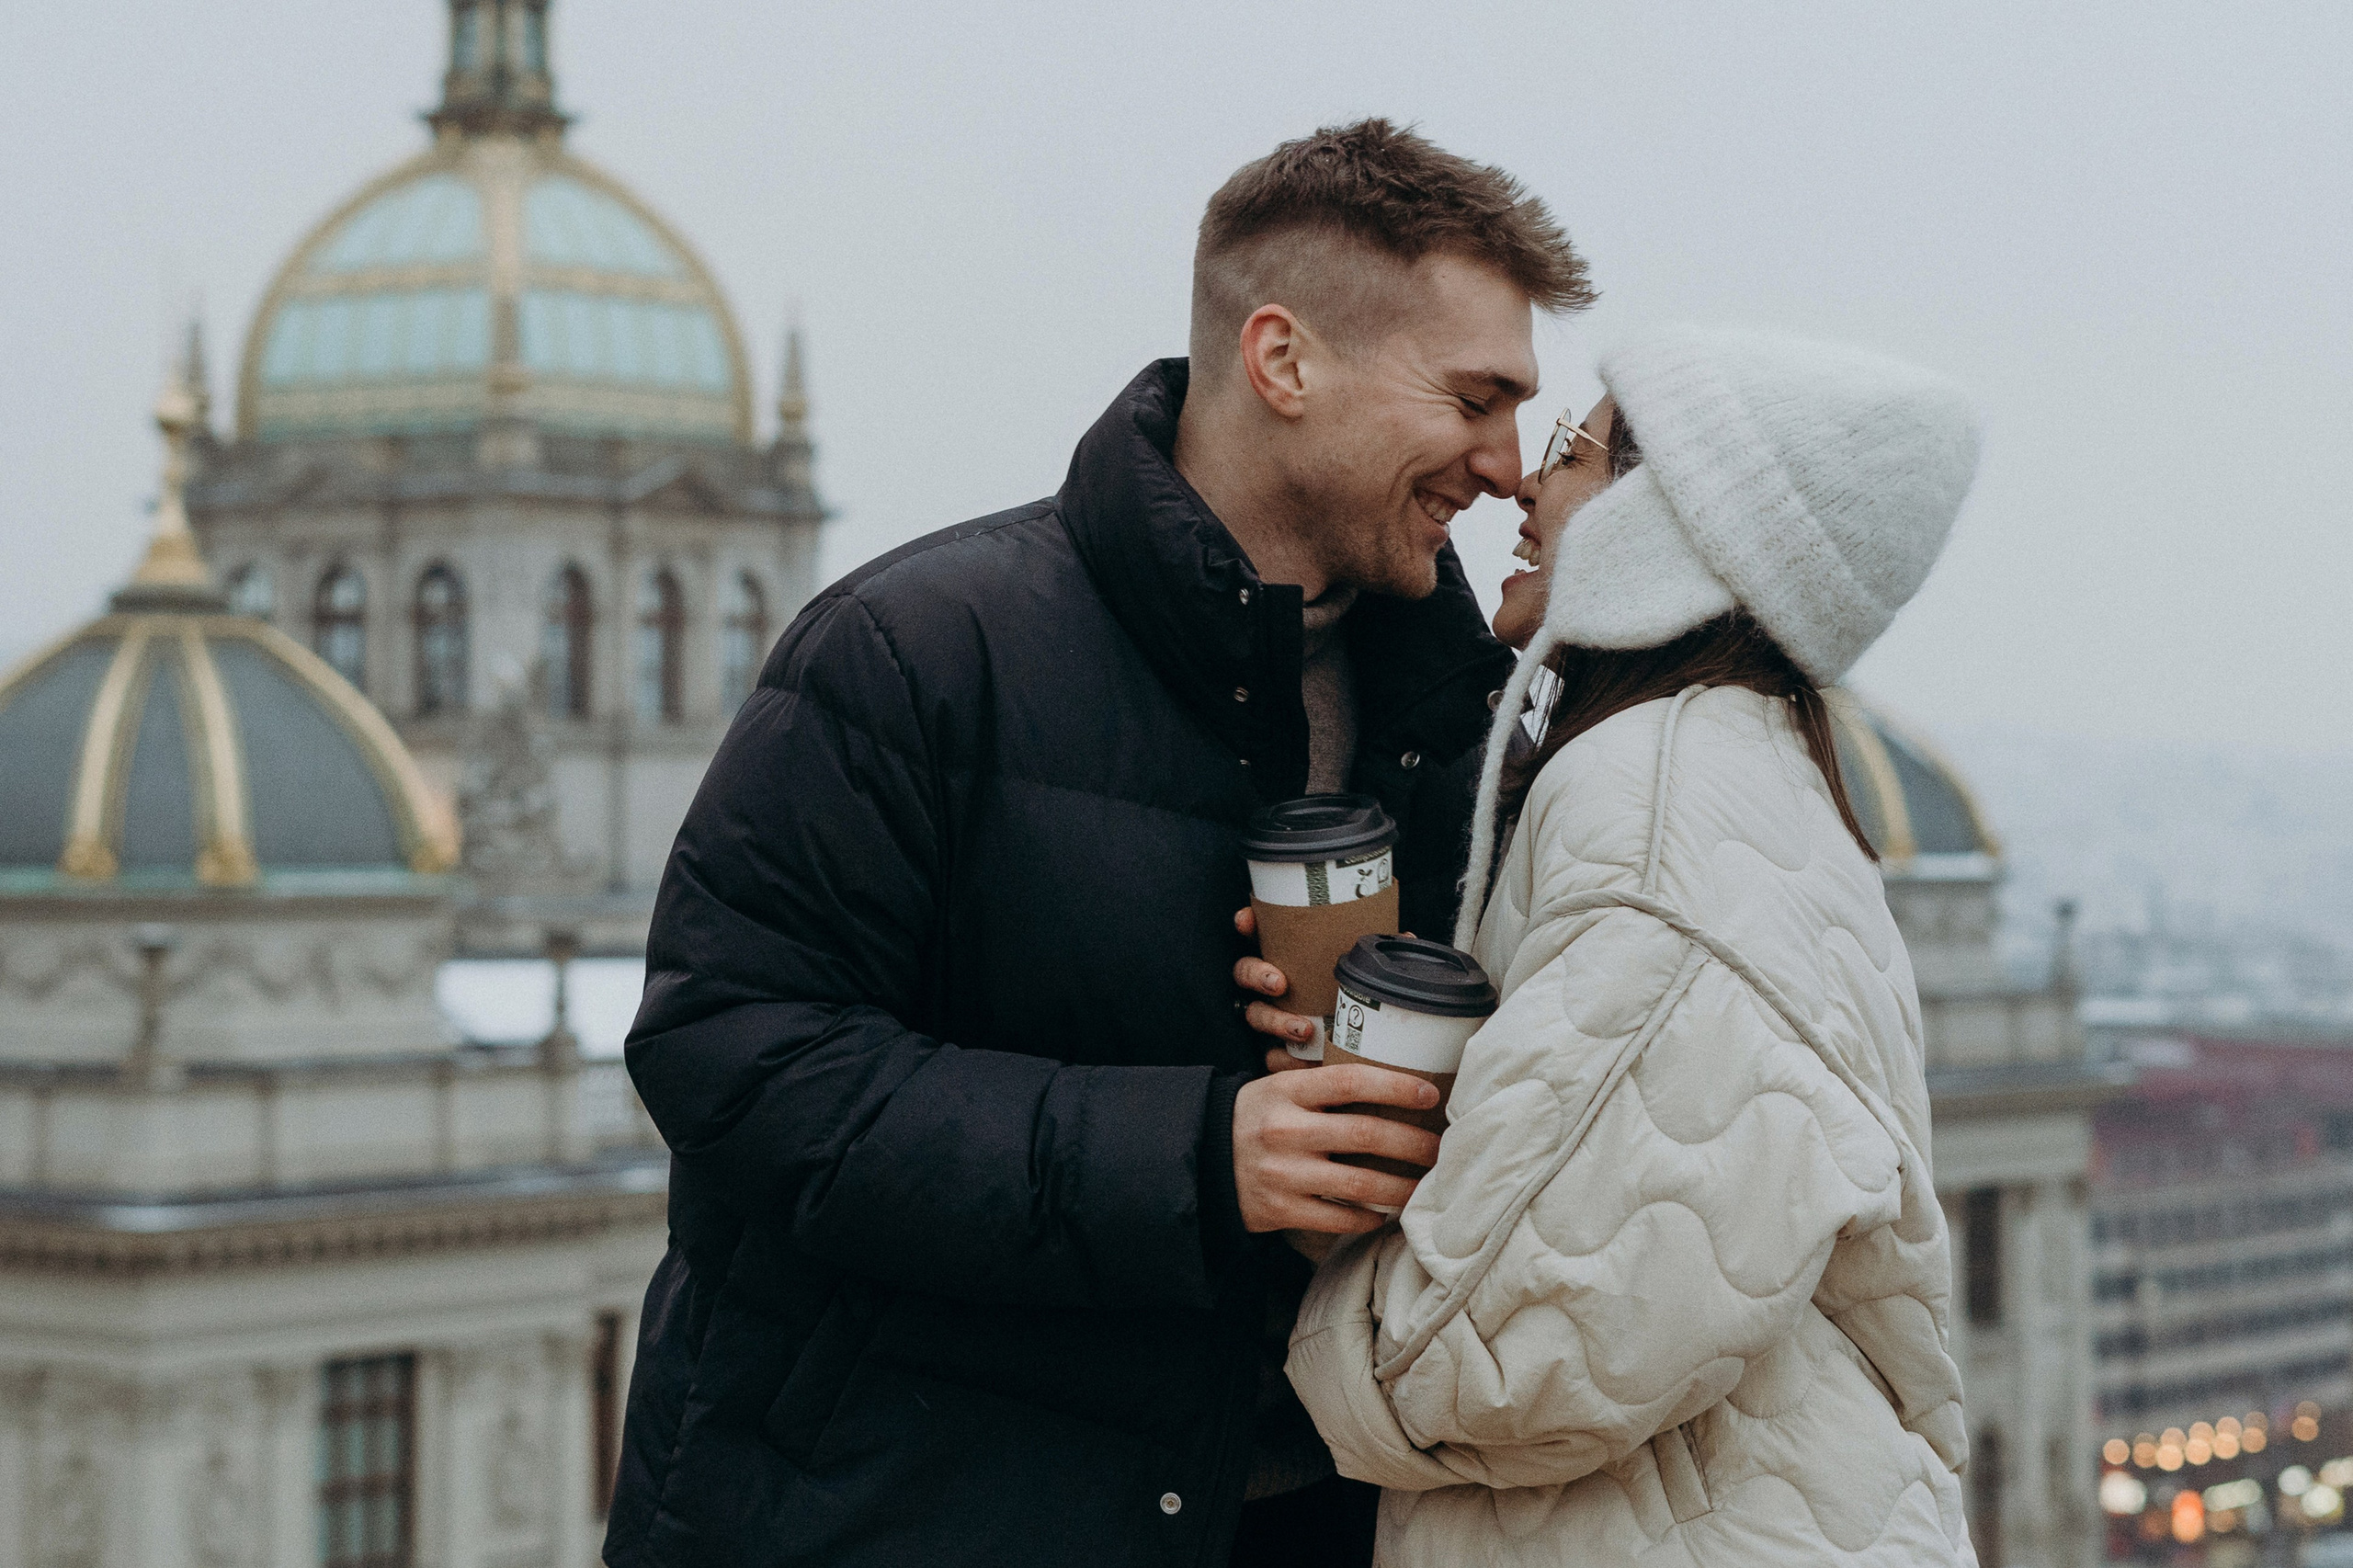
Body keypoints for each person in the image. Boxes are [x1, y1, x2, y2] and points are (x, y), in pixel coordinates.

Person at [600, 119, 1592, 1568]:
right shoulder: (916, 653)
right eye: (1476, 398)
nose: (1509, 467)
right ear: (1284, 360)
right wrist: (1198, 1158)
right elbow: (733, 1061)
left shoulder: (1466, 716)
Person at [1261, 325, 1985, 1564]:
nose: (1524, 484)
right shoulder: (1744, 781)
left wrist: (1305, 1217)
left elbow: (1498, 1352)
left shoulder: (1651, 806)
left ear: (1674, 523)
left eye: (1572, 448)